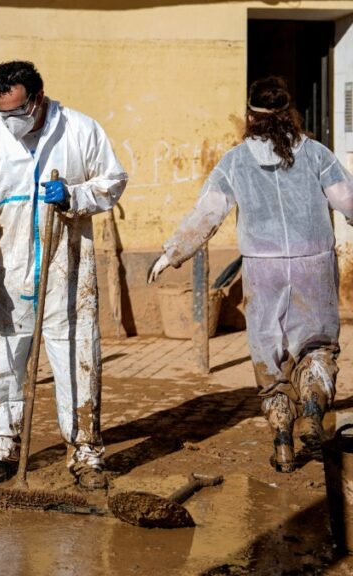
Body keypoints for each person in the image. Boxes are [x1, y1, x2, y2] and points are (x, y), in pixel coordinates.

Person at [149, 76, 353, 472]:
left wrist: (171, 253)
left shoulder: (235, 162)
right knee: (316, 347)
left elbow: (206, 214)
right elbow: (347, 198)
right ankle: (312, 409)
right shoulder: (314, 153)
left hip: (262, 269)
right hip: (314, 264)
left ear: (250, 117)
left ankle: (282, 443)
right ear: (289, 114)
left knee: (270, 360)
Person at [0, 61, 128, 489]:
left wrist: (75, 194)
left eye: (16, 112)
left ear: (37, 99)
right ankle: (1, 446)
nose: (9, 121)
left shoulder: (80, 130)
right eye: (1, 113)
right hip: (5, 271)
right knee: (1, 357)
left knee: (76, 355)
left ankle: (85, 450)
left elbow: (114, 181)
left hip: (67, 267)